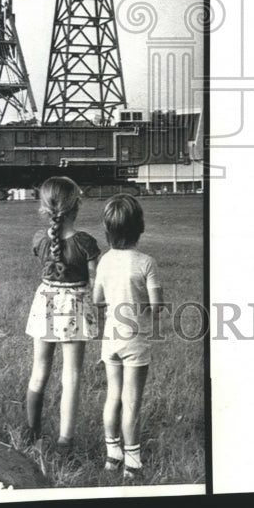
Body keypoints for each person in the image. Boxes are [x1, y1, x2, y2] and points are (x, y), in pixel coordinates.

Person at [24, 176, 100, 453]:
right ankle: (65, 443)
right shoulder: (86, 243)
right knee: (72, 376)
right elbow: (95, 281)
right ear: (77, 205)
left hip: (44, 303)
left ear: (44, 207)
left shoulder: (38, 240)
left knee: (39, 372)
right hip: (74, 308)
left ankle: (31, 433)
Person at [93, 193, 163, 481]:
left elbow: (97, 300)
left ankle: (113, 455)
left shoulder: (105, 261)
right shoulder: (146, 262)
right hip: (135, 341)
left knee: (113, 397)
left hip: (110, 340)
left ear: (107, 230)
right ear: (140, 227)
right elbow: (156, 305)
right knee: (132, 400)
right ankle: (132, 462)